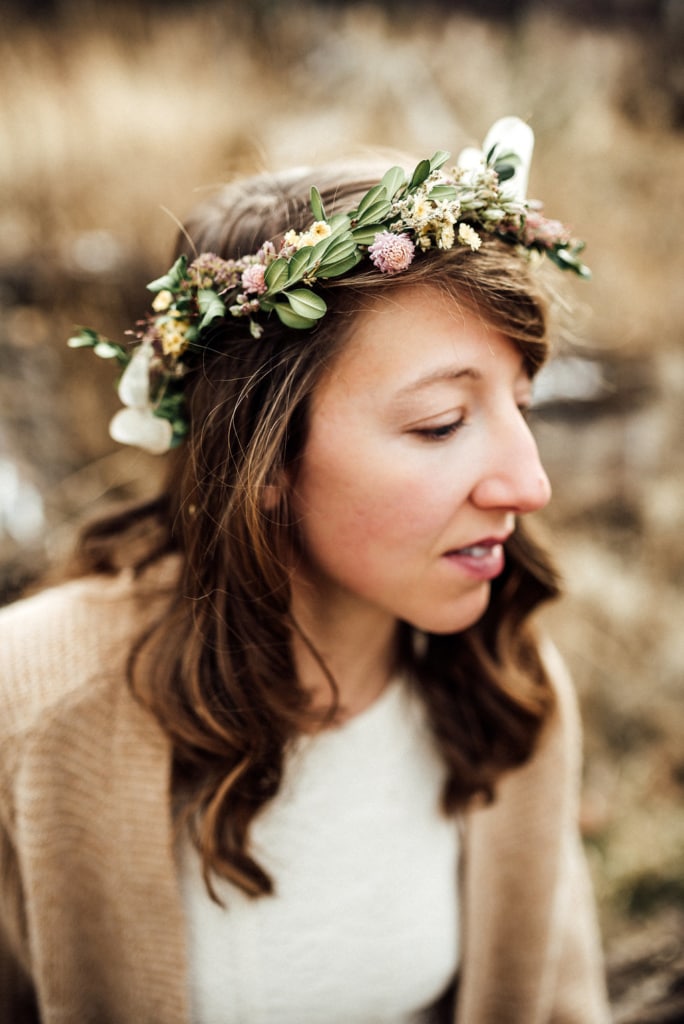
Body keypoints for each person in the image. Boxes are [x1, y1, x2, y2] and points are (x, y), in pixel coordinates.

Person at [0, 118, 610, 1022]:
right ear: (267, 460)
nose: (530, 485)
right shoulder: (38, 701)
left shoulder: (507, 687)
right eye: (441, 424)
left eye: (522, 407)